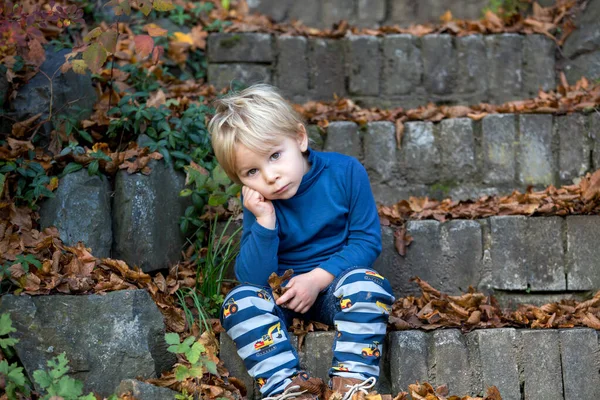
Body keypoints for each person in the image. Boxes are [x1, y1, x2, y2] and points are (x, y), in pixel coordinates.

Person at [210, 84, 395, 400]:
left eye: (275, 156)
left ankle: (352, 387)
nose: (270, 177)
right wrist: (265, 221)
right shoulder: (260, 201)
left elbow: (366, 241)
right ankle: (288, 390)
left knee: (370, 286)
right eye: (252, 171)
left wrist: (316, 279)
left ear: (299, 138)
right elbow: (253, 280)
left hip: (334, 290)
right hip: (280, 299)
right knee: (239, 300)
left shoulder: (346, 172)